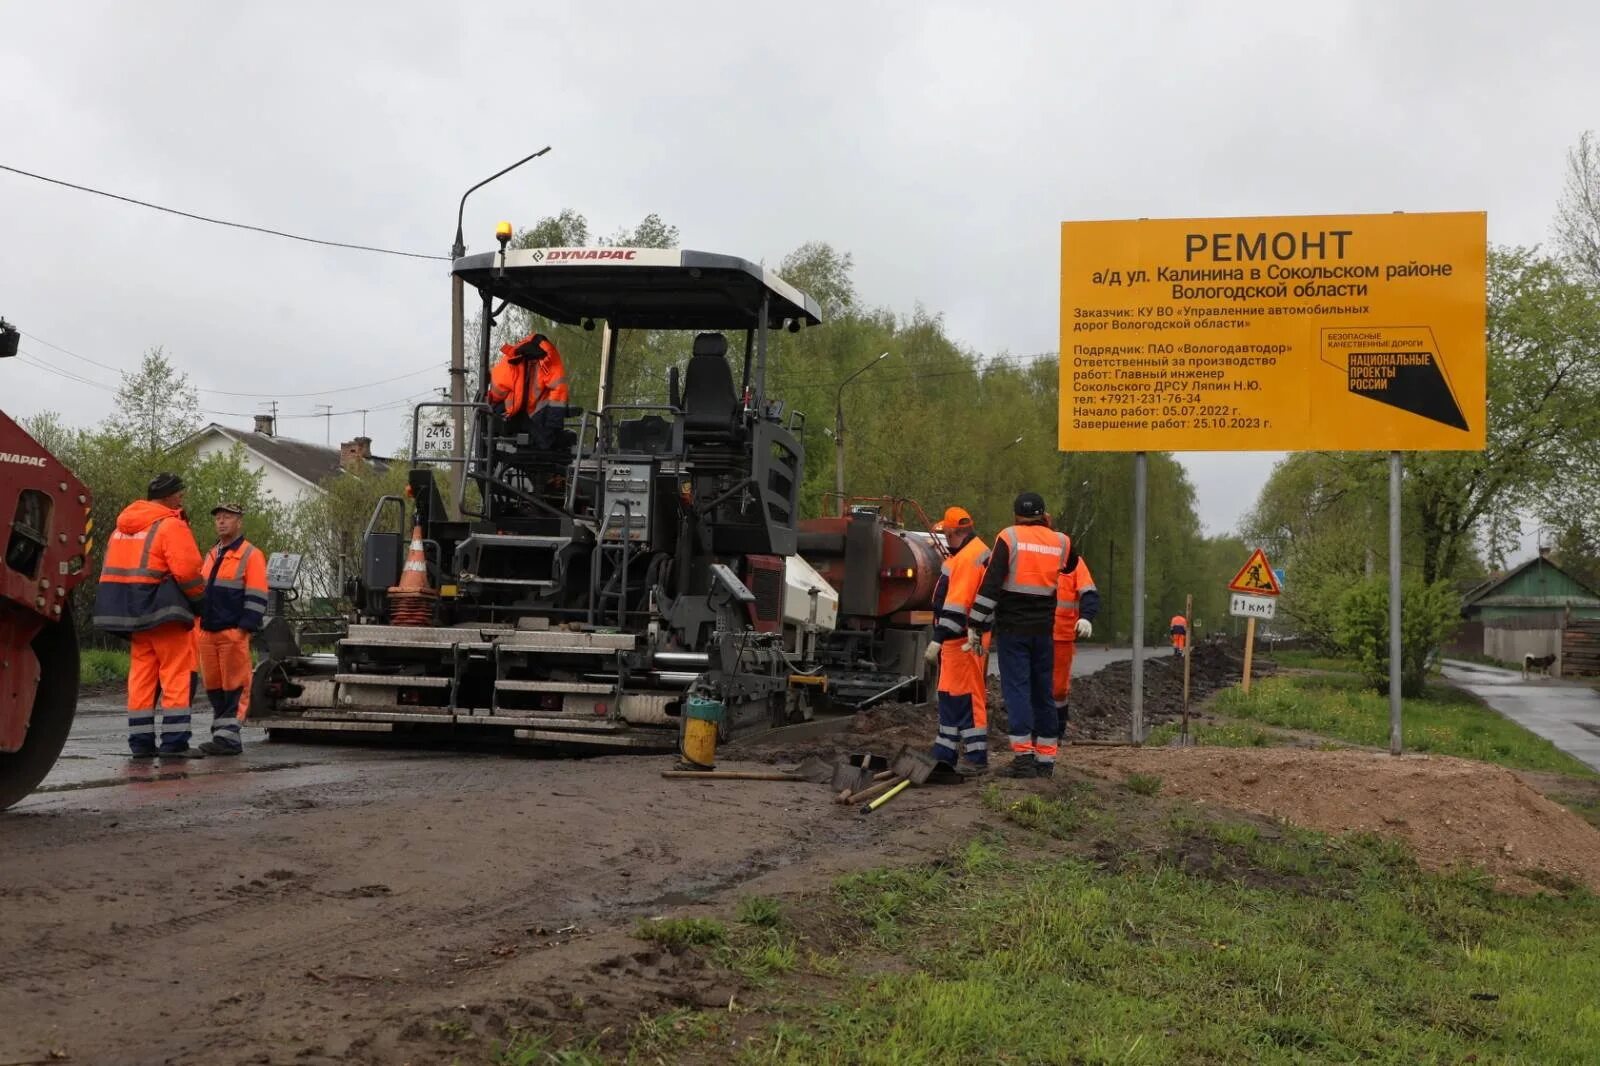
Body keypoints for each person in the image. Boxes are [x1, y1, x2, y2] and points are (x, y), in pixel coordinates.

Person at [92, 473, 207, 759]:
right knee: (176, 675)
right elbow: (188, 570)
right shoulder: (170, 525)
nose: (182, 498)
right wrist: (201, 602)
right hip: (166, 614)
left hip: (132, 615)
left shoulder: (121, 529)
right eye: (179, 493)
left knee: (141, 679)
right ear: (168, 496)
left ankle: (141, 743)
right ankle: (175, 742)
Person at [967, 492, 1076, 779]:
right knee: (1044, 692)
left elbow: (991, 584)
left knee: (1017, 691)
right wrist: (1049, 530)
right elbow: (1071, 565)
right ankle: (1046, 759)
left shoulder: (1009, 537)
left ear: (1016, 515)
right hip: (1044, 631)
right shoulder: (1060, 540)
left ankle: (1024, 758)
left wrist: (976, 623)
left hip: (1014, 631)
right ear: (1045, 514)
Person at [922, 506, 991, 773]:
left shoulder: (967, 559)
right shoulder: (968, 554)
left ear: (954, 532)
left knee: (966, 697)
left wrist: (938, 638)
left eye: (946, 534)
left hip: (962, 639)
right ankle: (945, 751)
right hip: (960, 640)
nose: (945, 540)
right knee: (951, 695)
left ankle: (975, 757)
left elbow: (956, 605)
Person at [196, 502, 268, 755]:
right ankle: (223, 736)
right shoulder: (212, 554)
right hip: (207, 632)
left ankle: (228, 738)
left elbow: (257, 594)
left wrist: (244, 628)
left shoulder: (251, 554)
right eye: (218, 518)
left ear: (239, 522)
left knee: (235, 685)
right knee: (214, 686)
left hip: (232, 632)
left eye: (227, 517)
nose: (221, 522)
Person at [485, 331, 570, 451]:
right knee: (490, 419)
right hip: (519, 415)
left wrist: (553, 425)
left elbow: (559, 391)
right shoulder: (511, 361)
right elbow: (496, 391)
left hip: (536, 415)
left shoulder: (546, 358)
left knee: (545, 442)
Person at [1051, 554, 1100, 742]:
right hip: (1033, 631)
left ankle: (1056, 731)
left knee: (1058, 689)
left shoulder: (1072, 560)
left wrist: (1086, 616)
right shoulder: (1031, 554)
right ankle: (1034, 733)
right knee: (1032, 683)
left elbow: (1089, 592)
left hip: (1062, 635)